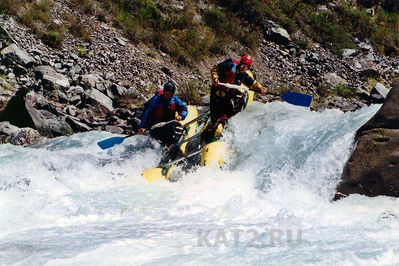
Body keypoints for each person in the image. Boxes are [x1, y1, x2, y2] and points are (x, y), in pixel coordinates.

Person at [210, 54, 267, 124]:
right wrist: (215, 79)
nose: (243, 68)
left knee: (238, 104)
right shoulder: (229, 65)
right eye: (243, 65)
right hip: (217, 92)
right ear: (240, 63)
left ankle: (223, 120)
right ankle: (213, 122)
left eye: (246, 67)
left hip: (228, 95)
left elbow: (252, 83)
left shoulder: (243, 75)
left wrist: (261, 88)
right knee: (214, 116)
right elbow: (215, 69)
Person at [138, 81, 188, 146]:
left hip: (168, 125)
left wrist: (181, 116)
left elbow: (184, 109)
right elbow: (147, 113)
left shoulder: (176, 100)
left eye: (169, 94)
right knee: (153, 142)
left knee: (168, 141)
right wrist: (143, 127)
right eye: (165, 93)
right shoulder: (156, 100)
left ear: (172, 93)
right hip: (156, 125)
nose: (166, 95)